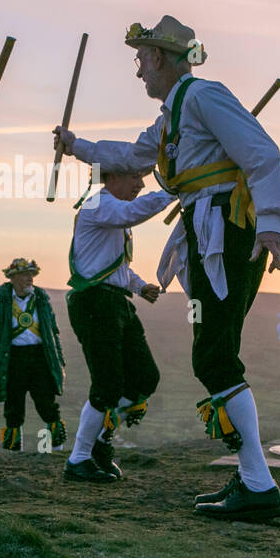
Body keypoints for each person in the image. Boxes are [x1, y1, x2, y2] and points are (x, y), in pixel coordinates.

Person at [54, 16, 280, 522]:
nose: (138, 70)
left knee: (214, 355)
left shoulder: (203, 97)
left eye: (140, 59)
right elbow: (132, 156)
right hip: (210, 227)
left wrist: (272, 220)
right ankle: (255, 480)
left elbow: (262, 153)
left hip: (225, 226)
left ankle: (257, 483)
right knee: (214, 353)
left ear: (159, 57)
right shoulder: (172, 116)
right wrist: (76, 147)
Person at [62, 166, 172, 482]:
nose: (140, 184)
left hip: (115, 301)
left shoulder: (114, 214)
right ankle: (79, 458)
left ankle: (100, 438)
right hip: (94, 302)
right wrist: (170, 191)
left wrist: (139, 287)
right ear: (112, 177)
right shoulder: (99, 205)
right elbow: (134, 213)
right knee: (107, 384)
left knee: (145, 377)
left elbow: (116, 267)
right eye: (135, 177)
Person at [0, 258, 66, 452]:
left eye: (32, 274)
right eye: (25, 275)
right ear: (12, 278)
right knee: (13, 407)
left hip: (40, 357)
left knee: (47, 405)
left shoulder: (42, 301)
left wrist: (59, 360)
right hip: (13, 359)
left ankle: (51, 451)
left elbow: (53, 333)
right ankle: (14, 453)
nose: (30, 278)